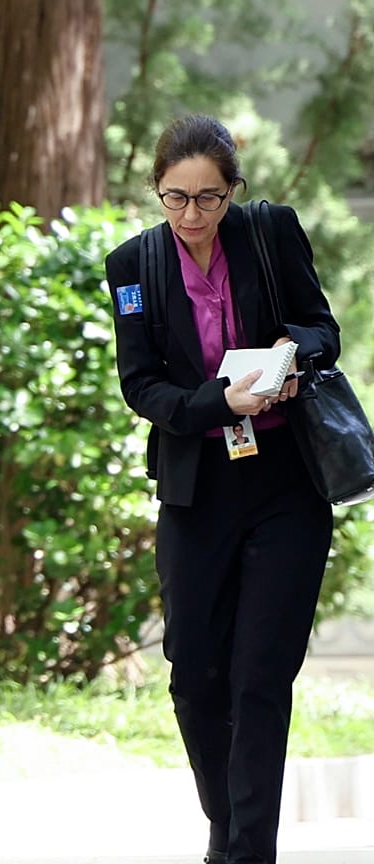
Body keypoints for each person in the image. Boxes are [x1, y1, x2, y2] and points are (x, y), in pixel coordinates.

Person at [104, 114, 340, 864]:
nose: (194, 217)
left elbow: (322, 328)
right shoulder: (133, 266)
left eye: (210, 199)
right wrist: (218, 401)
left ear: (233, 190)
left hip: (284, 485)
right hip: (197, 487)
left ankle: (246, 851)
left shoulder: (270, 233)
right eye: (177, 199)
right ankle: (226, 824)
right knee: (195, 676)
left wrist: (292, 349)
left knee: (260, 679)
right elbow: (141, 386)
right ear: (157, 190)